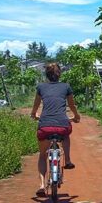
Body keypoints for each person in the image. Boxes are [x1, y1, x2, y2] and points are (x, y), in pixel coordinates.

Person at [30, 63, 80, 196]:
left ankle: (41, 185)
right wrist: (76, 116)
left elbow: (36, 105)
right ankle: (68, 160)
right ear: (59, 75)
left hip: (44, 126)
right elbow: (71, 105)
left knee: (42, 155)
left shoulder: (41, 87)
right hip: (62, 124)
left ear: (47, 75)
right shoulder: (66, 87)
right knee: (66, 134)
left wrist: (34, 114)